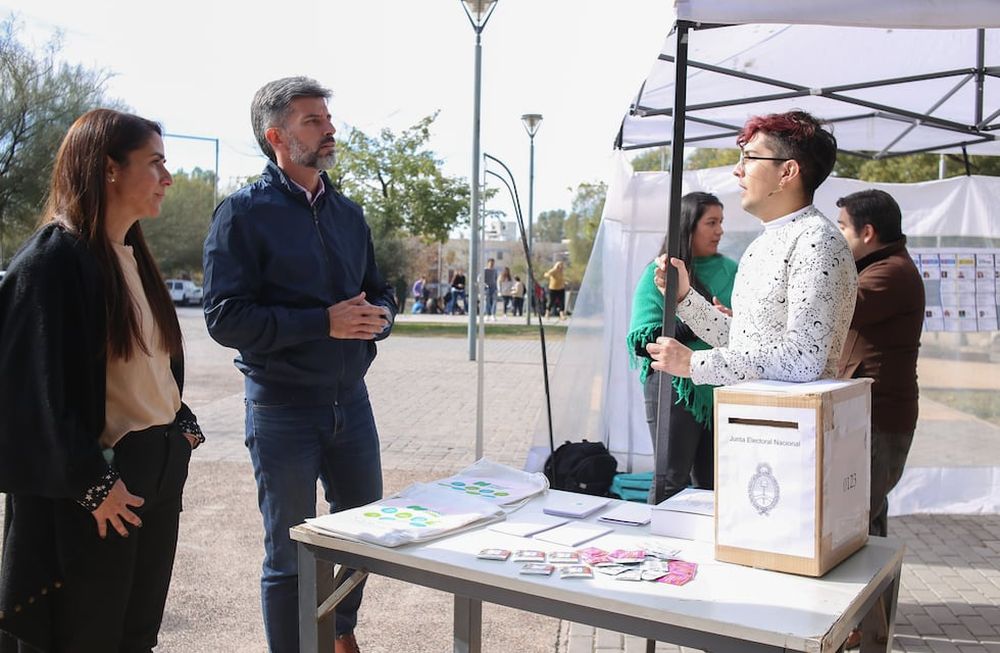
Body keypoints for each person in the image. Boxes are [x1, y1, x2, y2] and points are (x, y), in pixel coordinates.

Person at [202, 77, 395, 653]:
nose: (329, 129)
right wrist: (321, 323)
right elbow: (225, 318)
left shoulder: (349, 214)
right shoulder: (242, 214)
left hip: (351, 404)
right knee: (288, 552)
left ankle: (337, 631)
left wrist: (381, 316)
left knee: (364, 534)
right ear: (276, 137)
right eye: (313, 120)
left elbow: (380, 291)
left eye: (327, 118)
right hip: (282, 409)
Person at [0, 109, 203, 652]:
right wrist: (91, 483)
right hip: (97, 493)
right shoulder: (51, 262)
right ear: (110, 168)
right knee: (82, 638)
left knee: (135, 637)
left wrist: (181, 427)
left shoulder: (133, 259)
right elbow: (31, 395)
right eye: (155, 162)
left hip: (153, 477)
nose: (168, 178)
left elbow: (151, 366)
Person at [647, 110, 857, 386]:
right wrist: (685, 298)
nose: (738, 170)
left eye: (750, 158)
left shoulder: (817, 241)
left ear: (787, 172)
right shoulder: (761, 244)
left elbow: (804, 359)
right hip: (752, 410)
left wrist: (695, 363)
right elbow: (743, 342)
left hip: (787, 413)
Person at [627, 192, 737, 499]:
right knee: (671, 480)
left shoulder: (733, 271)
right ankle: (659, 531)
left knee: (714, 484)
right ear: (688, 226)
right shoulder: (660, 273)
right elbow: (644, 338)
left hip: (720, 386)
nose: (719, 231)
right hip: (673, 388)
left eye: (721, 222)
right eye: (711, 223)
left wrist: (732, 320)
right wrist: (702, 319)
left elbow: (750, 329)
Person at [836, 189, 924, 537]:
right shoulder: (878, 266)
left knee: (856, 521)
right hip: (870, 415)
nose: (837, 237)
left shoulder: (892, 272)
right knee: (865, 518)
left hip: (880, 419)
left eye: (842, 227)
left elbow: (838, 308)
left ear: (868, 232)